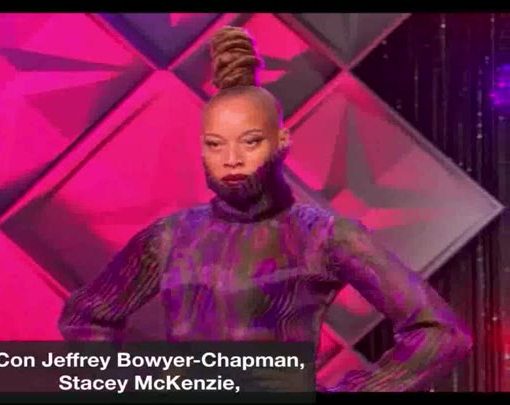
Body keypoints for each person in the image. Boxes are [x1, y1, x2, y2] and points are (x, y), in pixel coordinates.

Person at [57, 26, 471, 392]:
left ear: (282, 141)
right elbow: (86, 317)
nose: (231, 159)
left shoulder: (324, 237)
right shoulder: (170, 237)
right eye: (215, 145)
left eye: (250, 141)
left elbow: (440, 333)